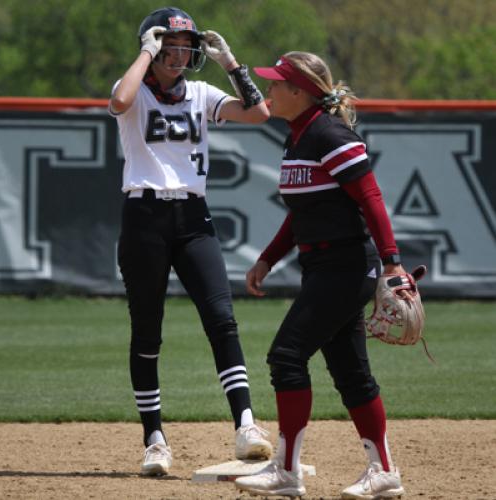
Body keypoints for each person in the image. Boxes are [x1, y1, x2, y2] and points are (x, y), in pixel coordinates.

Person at [234, 52, 410, 499]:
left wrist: (391, 262)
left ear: (300, 91)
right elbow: (301, 213)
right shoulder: (300, 136)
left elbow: (370, 195)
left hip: (347, 265)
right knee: (351, 372)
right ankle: (384, 472)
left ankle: (287, 471)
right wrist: (267, 259)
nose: (269, 90)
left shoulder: (329, 134)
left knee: (286, 356)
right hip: (322, 266)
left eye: (276, 84)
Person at [108, 7, 273, 476]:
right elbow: (119, 101)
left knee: (222, 319)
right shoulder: (137, 90)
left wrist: (233, 65)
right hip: (144, 214)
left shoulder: (201, 92)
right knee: (147, 331)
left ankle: (246, 425)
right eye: (171, 48)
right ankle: (154, 440)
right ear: (154, 49)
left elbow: (259, 113)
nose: (180, 56)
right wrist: (146, 50)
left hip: (193, 217)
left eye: (186, 48)